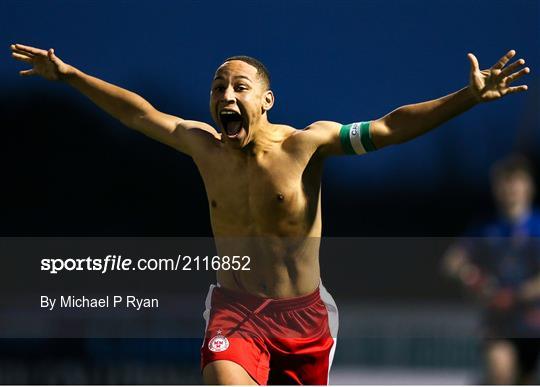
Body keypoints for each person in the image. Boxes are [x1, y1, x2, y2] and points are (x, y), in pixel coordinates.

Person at [11, 43, 530, 385]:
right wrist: (71, 75)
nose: (226, 95)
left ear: (266, 100)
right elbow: (138, 112)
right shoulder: (204, 147)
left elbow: (391, 127)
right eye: (218, 87)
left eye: (239, 86)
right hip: (236, 311)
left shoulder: (310, 145)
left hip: (305, 317)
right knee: (222, 372)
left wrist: (468, 97)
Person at [444, 156, 540, 384]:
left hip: (534, 321)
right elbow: (452, 262)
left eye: (516, 181)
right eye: (504, 182)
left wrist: (519, 293)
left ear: (529, 185)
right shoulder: (486, 228)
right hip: (500, 322)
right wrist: (474, 279)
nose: (510, 188)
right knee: (501, 371)